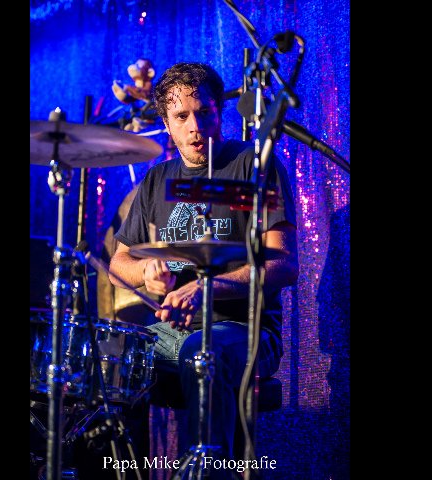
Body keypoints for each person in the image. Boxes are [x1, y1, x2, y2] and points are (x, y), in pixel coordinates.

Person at [108, 62, 299, 475]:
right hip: (170, 331)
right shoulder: (157, 180)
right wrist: (147, 272)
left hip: (246, 330)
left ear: (219, 112)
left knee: (201, 352)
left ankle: (208, 470)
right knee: (106, 356)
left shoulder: (253, 165)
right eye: (181, 117)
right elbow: (118, 265)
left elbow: (284, 264)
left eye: (204, 112)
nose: (195, 127)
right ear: (166, 124)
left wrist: (205, 290)